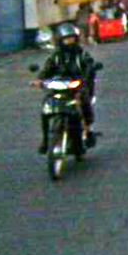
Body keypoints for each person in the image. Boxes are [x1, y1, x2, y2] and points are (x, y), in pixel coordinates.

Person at [32, 22, 98, 155]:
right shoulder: (56, 56)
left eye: (71, 38)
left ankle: (88, 130)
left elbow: (89, 67)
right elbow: (47, 69)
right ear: (60, 40)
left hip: (77, 86)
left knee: (84, 102)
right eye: (66, 39)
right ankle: (45, 140)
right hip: (60, 86)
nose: (69, 42)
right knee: (46, 107)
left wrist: (85, 79)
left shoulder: (82, 55)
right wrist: (39, 80)